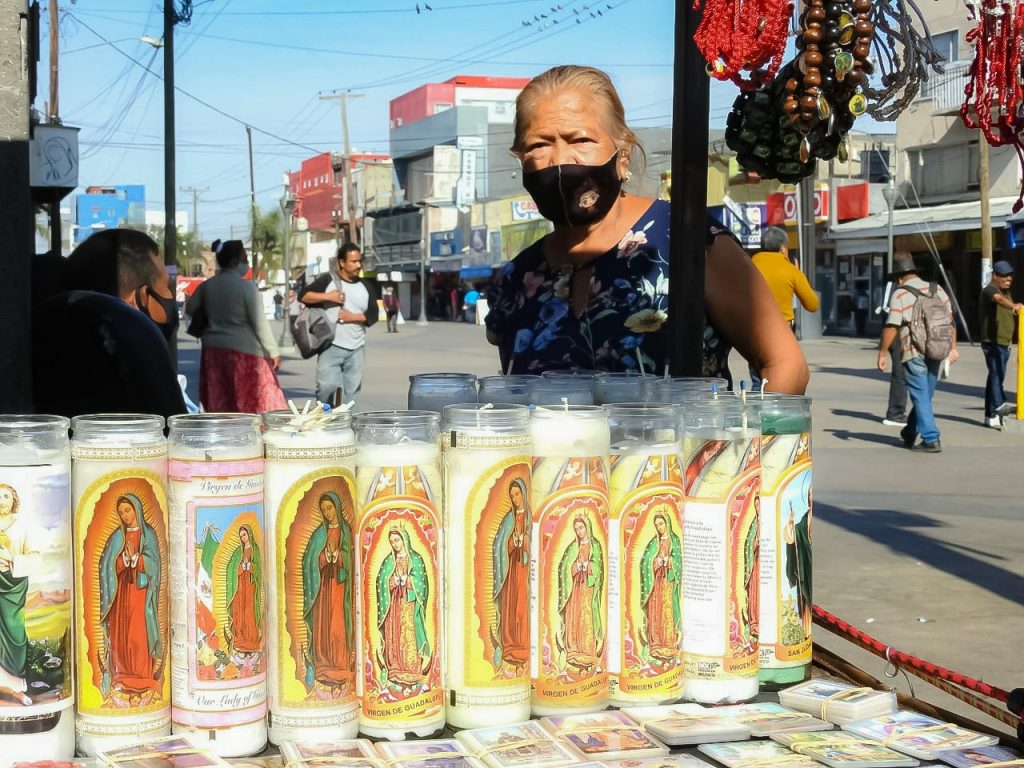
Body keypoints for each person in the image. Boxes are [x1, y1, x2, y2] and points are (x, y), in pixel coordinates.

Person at [485, 65, 808, 393]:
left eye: (580, 139)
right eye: (538, 145)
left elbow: (786, 365)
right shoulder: (517, 280)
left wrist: (750, 442)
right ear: (521, 160)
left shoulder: (687, 242)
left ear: (622, 155)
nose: (559, 160)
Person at [33, 229, 187, 419]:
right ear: (138, 297)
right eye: (165, 286)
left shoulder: (38, 331)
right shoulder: (138, 334)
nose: (169, 296)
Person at [185, 240, 285, 413]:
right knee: (251, 404)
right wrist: (273, 351)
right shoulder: (246, 288)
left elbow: (191, 308)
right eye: (245, 259)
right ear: (236, 261)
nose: (246, 264)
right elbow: (260, 323)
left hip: (213, 352)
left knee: (221, 403)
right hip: (245, 352)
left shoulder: (206, 286)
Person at [877, 254, 959, 452]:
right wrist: (953, 347)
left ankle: (931, 438)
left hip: (913, 351)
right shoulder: (936, 289)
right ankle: (910, 432)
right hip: (936, 349)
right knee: (924, 395)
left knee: (921, 394)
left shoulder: (900, 294)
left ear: (899, 277)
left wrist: (882, 353)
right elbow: (950, 320)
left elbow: (892, 326)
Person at [98, 494, 163, 704]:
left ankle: (142, 676)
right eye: (121, 512)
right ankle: (122, 674)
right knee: (121, 633)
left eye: (128, 510)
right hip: (121, 592)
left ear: (137, 509)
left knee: (138, 633)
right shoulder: (118, 536)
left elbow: (154, 562)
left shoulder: (149, 534)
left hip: (140, 592)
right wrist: (123, 560)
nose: (125, 516)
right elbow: (107, 564)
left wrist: (138, 560)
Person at [299, 243, 380, 405]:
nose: (358, 265)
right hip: (331, 345)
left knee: (351, 393)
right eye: (353, 261)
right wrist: (329, 297)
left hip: (357, 347)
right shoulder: (328, 280)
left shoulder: (366, 285)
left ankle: (346, 427)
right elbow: (304, 296)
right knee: (326, 388)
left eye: (359, 261)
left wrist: (352, 317)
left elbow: (373, 314)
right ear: (342, 263)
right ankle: (324, 421)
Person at [749, 226, 820, 389]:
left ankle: (754, 411)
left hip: (752, 332)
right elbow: (812, 304)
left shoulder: (749, 264)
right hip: (782, 330)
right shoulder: (789, 270)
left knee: (757, 380)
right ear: (783, 248)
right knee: (781, 382)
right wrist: (798, 275)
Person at [301, 491, 354, 693]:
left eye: (329, 508)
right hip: (323, 587)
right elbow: (307, 560)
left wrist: (339, 557)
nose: (327, 512)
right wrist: (323, 557)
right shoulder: (319, 534)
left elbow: (351, 556)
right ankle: (322, 666)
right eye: (323, 510)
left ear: (337, 507)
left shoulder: (346, 531)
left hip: (340, 586)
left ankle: (340, 666)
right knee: (323, 624)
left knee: (337, 625)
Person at [375, 526, 431, 690]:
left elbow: (422, 582)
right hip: (394, 604)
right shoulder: (388, 561)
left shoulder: (416, 559)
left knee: (409, 633)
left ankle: (412, 668)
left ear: (404, 539)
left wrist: (408, 581)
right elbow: (380, 581)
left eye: (397, 540)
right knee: (395, 632)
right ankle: (395, 668)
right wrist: (392, 581)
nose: (395, 544)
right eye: (392, 542)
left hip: (409, 603)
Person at [557, 514, 604, 677]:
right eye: (576, 529)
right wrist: (576, 566)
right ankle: (574, 652)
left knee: (587, 619)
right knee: (574, 619)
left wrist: (589, 566)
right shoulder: (572, 547)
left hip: (588, 589)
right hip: (575, 589)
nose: (579, 531)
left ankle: (588, 655)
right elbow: (564, 567)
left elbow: (599, 566)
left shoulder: (595, 545)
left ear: (587, 527)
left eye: (581, 527)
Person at [491, 478, 530, 673]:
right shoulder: (509, 519)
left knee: (522, 608)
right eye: (512, 495)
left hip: (524, 572)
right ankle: (509, 647)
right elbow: (498, 545)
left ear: (524, 493)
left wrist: (525, 540)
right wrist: (513, 542)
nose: (515, 498)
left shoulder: (529, 517)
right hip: (511, 570)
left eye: (517, 494)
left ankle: (523, 648)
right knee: (510, 607)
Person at [979, 260, 1022, 427]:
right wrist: (1014, 307)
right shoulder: (990, 290)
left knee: (995, 376)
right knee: (997, 373)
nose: (1008, 278)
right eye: (1004, 275)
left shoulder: (1007, 291)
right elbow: (999, 300)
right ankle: (999, 404)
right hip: (992, 342)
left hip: (1004, 341)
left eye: (1010, 275)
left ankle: (990, 416)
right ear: (995, 276)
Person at [0, 483, 31, 705]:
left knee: (15, 632)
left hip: (12, 585)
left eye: (6, 496)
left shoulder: (22, 528)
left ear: (14, 501)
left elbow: (35, 557)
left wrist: (10, 558)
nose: (2, 500)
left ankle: (17, 688)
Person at [640, 510, 681, 663]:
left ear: (667, 523)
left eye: (661, 524)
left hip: (668, 584)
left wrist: (669, 561)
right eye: (657, 525)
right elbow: (645, 562)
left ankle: (669, 645)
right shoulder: (653, 543)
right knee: (656, 612)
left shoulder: (675, 540)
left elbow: (678, 561)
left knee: (668, 611)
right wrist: (656, 562)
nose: (659, 528)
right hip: (656, 585)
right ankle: (656, 644)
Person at [226, 524, 262, 656]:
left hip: (251, 584)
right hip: (240, 586)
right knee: (239, 611)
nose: (243, 538)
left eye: (244, 534)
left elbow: (260, 568)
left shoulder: (255, 549)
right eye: (241, 536)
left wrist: (251, 567)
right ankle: (239, 641)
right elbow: (230, 568)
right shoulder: (238, 552)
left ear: (249, 534)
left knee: (249, 611)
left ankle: (251, 641)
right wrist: (240, 567)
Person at [878, 279, 909, 427]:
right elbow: (888, 312)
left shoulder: (900, 287)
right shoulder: (893, 287)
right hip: (896, 334)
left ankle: (898, 411)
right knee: (900, 373)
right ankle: (895, 413)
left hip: (900, 333)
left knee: (903, 373)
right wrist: (883, 351)